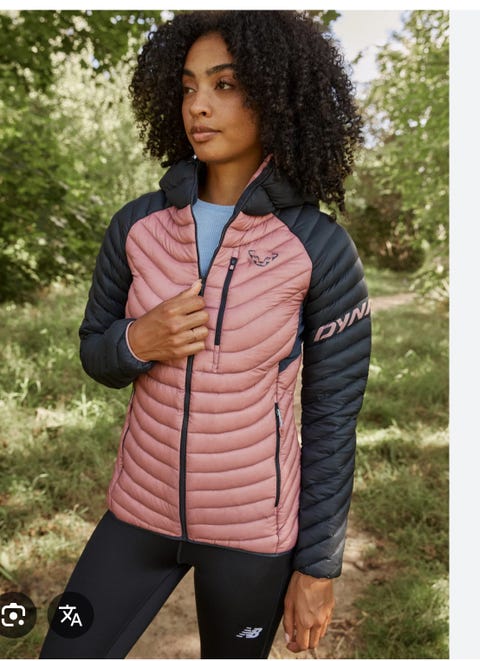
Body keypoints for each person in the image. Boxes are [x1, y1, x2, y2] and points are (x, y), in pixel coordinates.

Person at [39, 10, 371, 660]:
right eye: (188, 86)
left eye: (224, 85)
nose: (199, 105)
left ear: (275, 96)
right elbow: (95, 351)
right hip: (137, 512)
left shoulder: (319, 249)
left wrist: (319, 564)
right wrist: (138, 341)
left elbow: (333, 420)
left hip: (252, 535)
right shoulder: (137, 226)